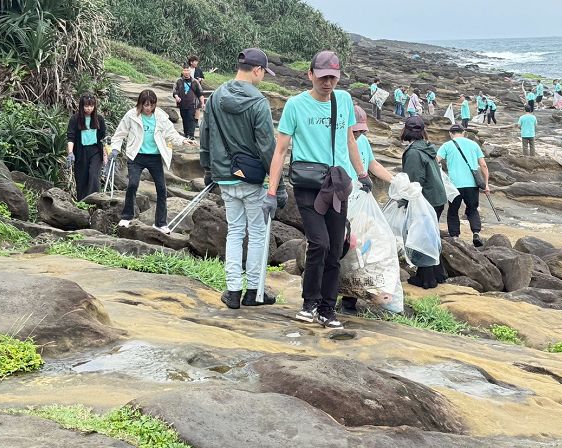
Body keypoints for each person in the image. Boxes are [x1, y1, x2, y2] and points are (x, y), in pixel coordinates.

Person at [266, 50, 369, 330]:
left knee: (336, 248)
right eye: (323, 77)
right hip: (308, 185)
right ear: (310, 74)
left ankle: (327, 309)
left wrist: (362, 173)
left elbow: (350, 140)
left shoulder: (343, 100)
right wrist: (272, 191)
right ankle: (309, 303)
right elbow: (280, 150)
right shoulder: (295, 105)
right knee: (319, 243)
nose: (327, 83)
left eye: (333, 77)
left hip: (337, 185)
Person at [200, 48, 281, 310]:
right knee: (257, 234)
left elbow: (205, 135)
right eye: (264, 73)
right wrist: (278, 185)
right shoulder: (258, 102)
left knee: (234, 231)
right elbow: (267, 147)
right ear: (257, 70)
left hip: (225, 176)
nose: (263, 77)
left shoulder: (215, 96)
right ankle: (254, 292)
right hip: (252, 178)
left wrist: (208, 169)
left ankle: (233, 291)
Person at [110, 90, 194, 233]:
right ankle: (127, 216)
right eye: (145, 105)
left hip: (154, 157)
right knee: (132, 184)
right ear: (140, 104)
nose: (148, 108)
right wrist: (115, 149)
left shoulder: (161, 116)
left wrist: (183, 140)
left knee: (161, 189)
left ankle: (160, 223)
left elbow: (171, 134)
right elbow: (119, 134)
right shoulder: (131, 115)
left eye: (151, 105)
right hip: (136, 156)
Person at [341, 105, 395, 315]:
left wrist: (395, 181)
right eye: (355, 130)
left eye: (361, 130)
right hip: (342, 203)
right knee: (343, 249)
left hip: (360, 205)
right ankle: (331, 295)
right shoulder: (338, 141)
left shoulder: (362, 142)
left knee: (361, 250)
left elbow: (372, 164)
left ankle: (350, 299)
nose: (358, 134)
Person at [400, 116, 447, 289]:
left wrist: (405, 200)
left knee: (423, 236)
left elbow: (414, 181)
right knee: (431, 235)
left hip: (426, 199)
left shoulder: (413, 152)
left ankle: (428, 279)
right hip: (437, 198)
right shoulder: (427, 147)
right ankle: (438, 274)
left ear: (405, 130)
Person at [437, 124, 490, 247]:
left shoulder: (446, 145)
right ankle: (476, 233)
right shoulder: (474, 145)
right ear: (464, 133)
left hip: (454, 185)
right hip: (472, 184)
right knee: (472, 209)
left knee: (453, 211)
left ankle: (455, 236)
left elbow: (436, 160)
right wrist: (486, 184)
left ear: (450, 133)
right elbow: (483, 165)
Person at [66, 94, 107, 200]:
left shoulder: (99, 119)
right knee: (81, 178)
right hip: (81, 152)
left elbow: (104, 138)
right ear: (82, 106)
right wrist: (70, 153)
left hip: (95, 151)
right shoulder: (75, 119)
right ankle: (82, 202)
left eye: (91, 106)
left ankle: (94, 201)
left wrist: (105, 155)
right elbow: (71, 137)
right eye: (86, 106)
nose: (89, 108)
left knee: (94, 175)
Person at [172, 64, 205, 139]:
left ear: (190, 71)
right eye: (185, 70)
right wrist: (176, 97)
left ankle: (191, 135)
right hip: (182, 103)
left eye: (188, 70)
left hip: (192, 104)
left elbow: (200, 93)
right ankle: (186, 134)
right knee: (184, 119)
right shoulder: (178, 81)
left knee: (191, 118)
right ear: (182, 71)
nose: (186, 72)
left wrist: (203, 103)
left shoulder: (195, 81)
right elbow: (175, 91)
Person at [188, 55, 205, 129]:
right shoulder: (186, 70)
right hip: (188, 89)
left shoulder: (198, 70)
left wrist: (200, 79)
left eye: (197, 61)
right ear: (191, 62)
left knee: (198, 105)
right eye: (195, 61)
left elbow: (203, 78)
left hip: (197, 89)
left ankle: (196, 121)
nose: (196, 63)